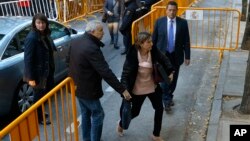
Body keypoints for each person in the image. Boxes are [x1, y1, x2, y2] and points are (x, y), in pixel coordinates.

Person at [69, 20, 131, 141]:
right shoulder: (91, 48)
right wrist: (122, 90)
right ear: (92, 32)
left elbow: (68, 61)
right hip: (87, 89)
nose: (103, 33)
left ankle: (86, 138)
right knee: (98, 114)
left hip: (76, 86)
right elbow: (105, 72)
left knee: (86, 113)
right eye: (100, 30)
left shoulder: (76, 41)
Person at [117, 32, 174, 141]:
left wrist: (171, 71)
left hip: (152, 87)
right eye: (149, 42)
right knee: (135, 112)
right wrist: (124, 90)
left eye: (151, 41)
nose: (152, 44)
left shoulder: (153, 50)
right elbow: (125, 74)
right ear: (141, 44)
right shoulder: (132, 54)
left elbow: (164, 59)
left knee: (159, 108)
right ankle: (121, 124)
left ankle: (156, 134)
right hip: (138, 88)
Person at [152, 1, 191, 113]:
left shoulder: (183, 23)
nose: (172, 12)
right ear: (166, 10)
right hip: (162, 56)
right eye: (170, 10)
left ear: (177, 11)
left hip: (176, 55)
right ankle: (166, 100)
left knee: (173, 80)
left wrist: (187, 56)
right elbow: (154, 40)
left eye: (174, 10)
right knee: (165, 79)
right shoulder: (159, 22)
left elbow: (186, 41)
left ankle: (169, 95)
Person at [24, 13, 56, 125]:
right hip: (38, 74)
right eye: (38, 23)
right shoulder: (32, 38)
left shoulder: (45, 34)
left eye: (43, 23)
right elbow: (28, 60)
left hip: (46, 71)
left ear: (46, 23)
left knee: (44, 95)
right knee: (38, 97)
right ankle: (39, 118)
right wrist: (31, 78)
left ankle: (39, 112)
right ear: (34, 24)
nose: (41, 25)